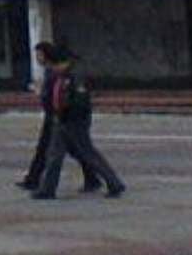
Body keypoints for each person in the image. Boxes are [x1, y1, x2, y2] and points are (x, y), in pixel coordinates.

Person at [33, 44, 125, 199]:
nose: (52, 70)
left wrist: (67, 113)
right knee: (54, 155)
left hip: (74, 121)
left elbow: (81, 102)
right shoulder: (59, 76)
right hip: (61, 119)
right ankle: (47, 189)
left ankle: (114, 183)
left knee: (88, 153)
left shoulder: (75, 76)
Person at [18, 41, 99, 193]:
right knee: (50, 149)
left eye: (39, 55)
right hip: (55, 116)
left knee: (66, 151)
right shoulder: (51, 71)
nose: (37, 59)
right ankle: (34, 180)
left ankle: (98, 178)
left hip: (62, 117)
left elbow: (64, 94)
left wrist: (58, 111)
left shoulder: (59, 71)